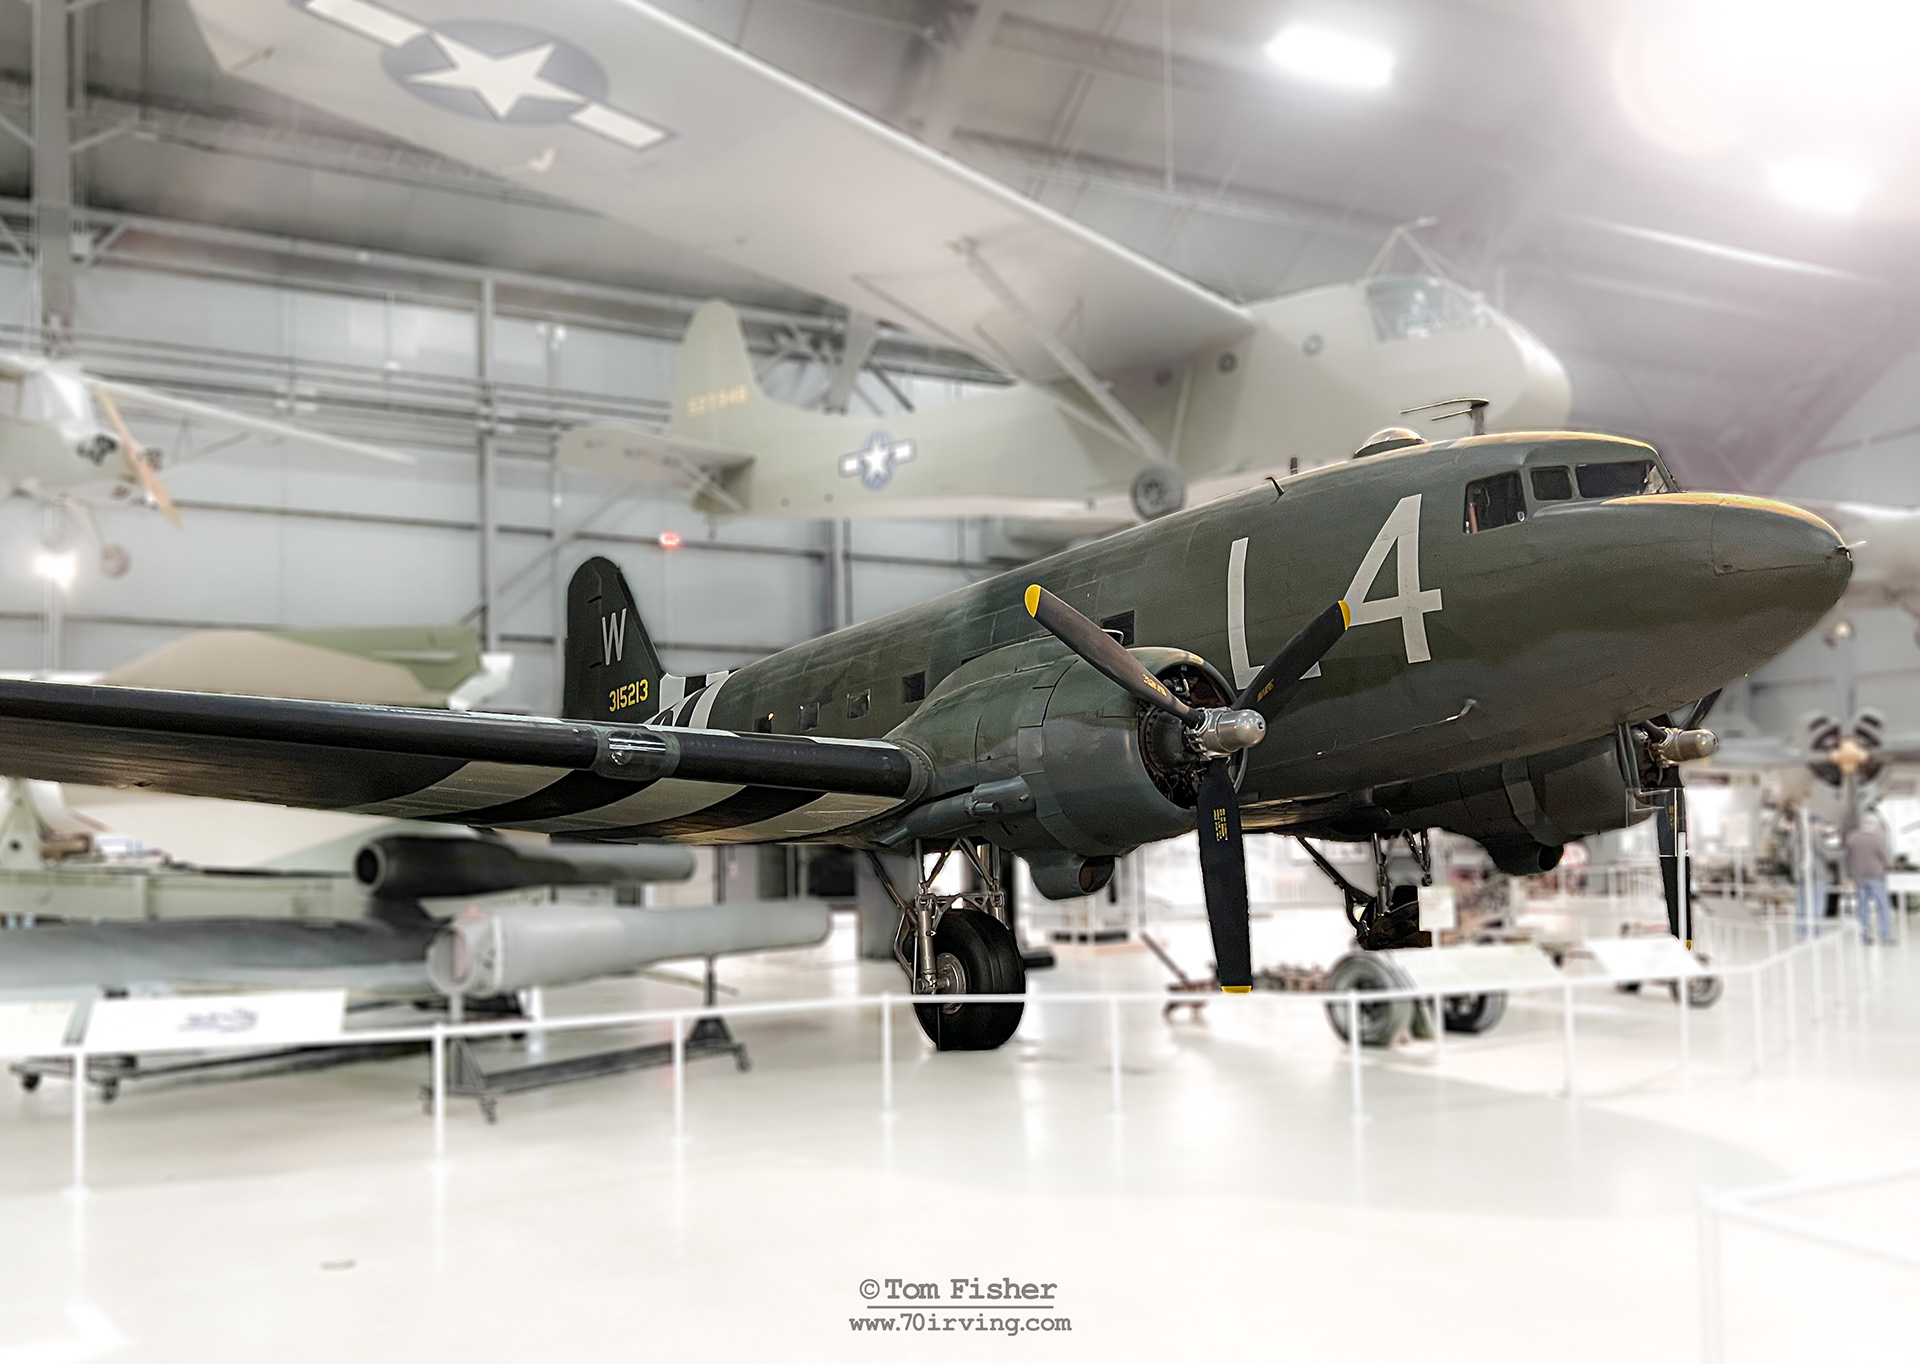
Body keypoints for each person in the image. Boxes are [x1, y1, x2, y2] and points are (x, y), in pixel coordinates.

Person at [1845, 818, 1894, 945]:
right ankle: (1885, 936)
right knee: (1882, 906)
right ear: (1874, 826)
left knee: (1862, 906)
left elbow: (1847, 855)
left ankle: (1864, 935)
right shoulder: (1877, 838)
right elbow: (1885, 857)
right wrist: (1890, 865)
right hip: (1876, 876)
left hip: (1859, 876)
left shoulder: (1852, 838)